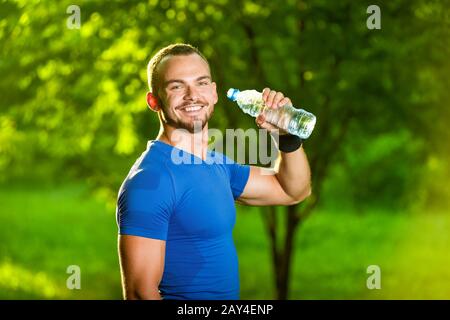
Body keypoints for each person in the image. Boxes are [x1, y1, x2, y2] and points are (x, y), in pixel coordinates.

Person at [116, 43, 312, 300]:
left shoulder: (217, 165)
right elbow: (140, 294)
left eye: (201, 83)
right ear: (154, 101)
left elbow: (293, 191)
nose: (192, 95)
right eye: (176, 86)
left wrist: (285, 137)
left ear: (214, 92)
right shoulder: (150, 182)